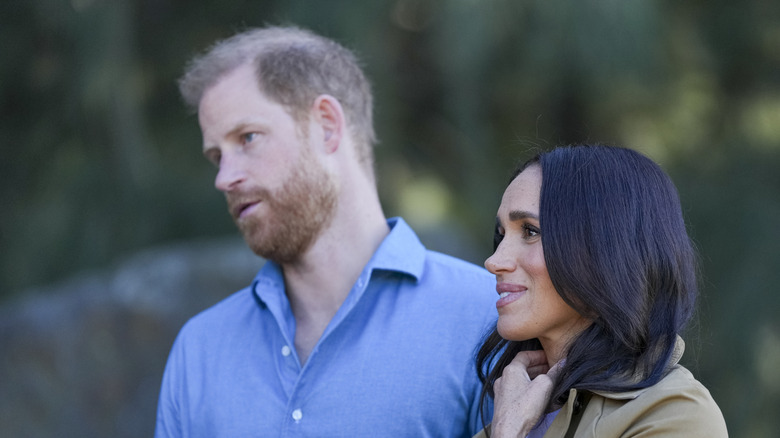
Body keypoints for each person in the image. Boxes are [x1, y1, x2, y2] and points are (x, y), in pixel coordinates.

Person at [154, 26, 497, 437]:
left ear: (328, 126)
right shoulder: (198, 352)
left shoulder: (485, 319)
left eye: (247, 138)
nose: (224, 178)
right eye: (216, 157)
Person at [473, 144, 728, 437]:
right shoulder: (514, 413)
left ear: (606, 252)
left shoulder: (676, 415)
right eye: (501, 235)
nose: (494, 261)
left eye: (530, 231)